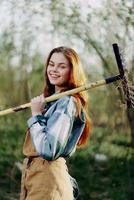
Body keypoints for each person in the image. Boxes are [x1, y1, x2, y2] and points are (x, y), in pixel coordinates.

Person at [20, 46, 91, 200]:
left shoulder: (67, 102)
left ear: (72, 71)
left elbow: (49, 150)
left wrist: (36, 115)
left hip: (48, 179)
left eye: (62, 66)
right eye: (51, 64)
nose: (54, 70)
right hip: (37, 176)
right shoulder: (55, 101)